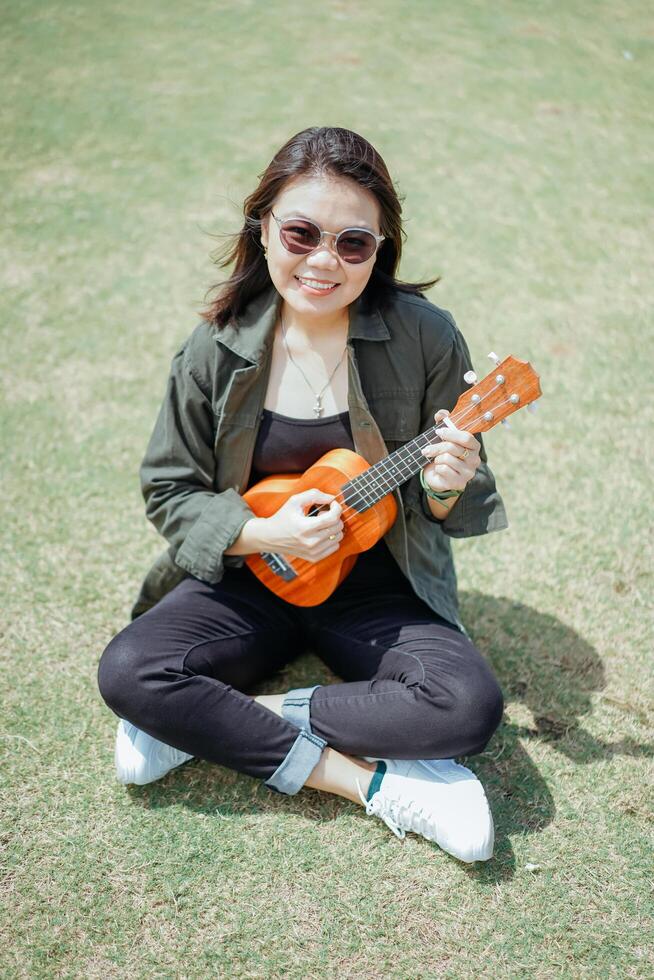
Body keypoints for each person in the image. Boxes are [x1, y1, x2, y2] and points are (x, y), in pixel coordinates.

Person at [97, 126, 508, 863]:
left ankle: (209, 721)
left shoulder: (425, 337)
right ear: (263, 231)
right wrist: (266, 536)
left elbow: (450, 499)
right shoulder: (215, 347)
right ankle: (371, 785)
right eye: (300, 233)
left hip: (378, 584)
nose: (324, 261)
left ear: (379, 250)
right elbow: (169, 487)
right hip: (253, 573)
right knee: (130, 671)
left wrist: (446, 485)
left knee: (470, 705)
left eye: (353, 243)